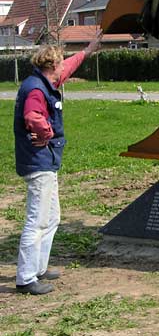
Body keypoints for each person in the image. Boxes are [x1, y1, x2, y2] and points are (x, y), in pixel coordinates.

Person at [14, 36, 101, 295]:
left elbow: (71, 65)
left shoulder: (45, 82)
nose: (64, 67)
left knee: (51, 217)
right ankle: (26, 277)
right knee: (37, 220)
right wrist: (45, 133)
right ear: (52, 66)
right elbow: (33, 115)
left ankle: (39, 268)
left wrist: (88, 51)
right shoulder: (36, 90)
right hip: (38, 162)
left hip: (46, 161)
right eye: (61, 63)